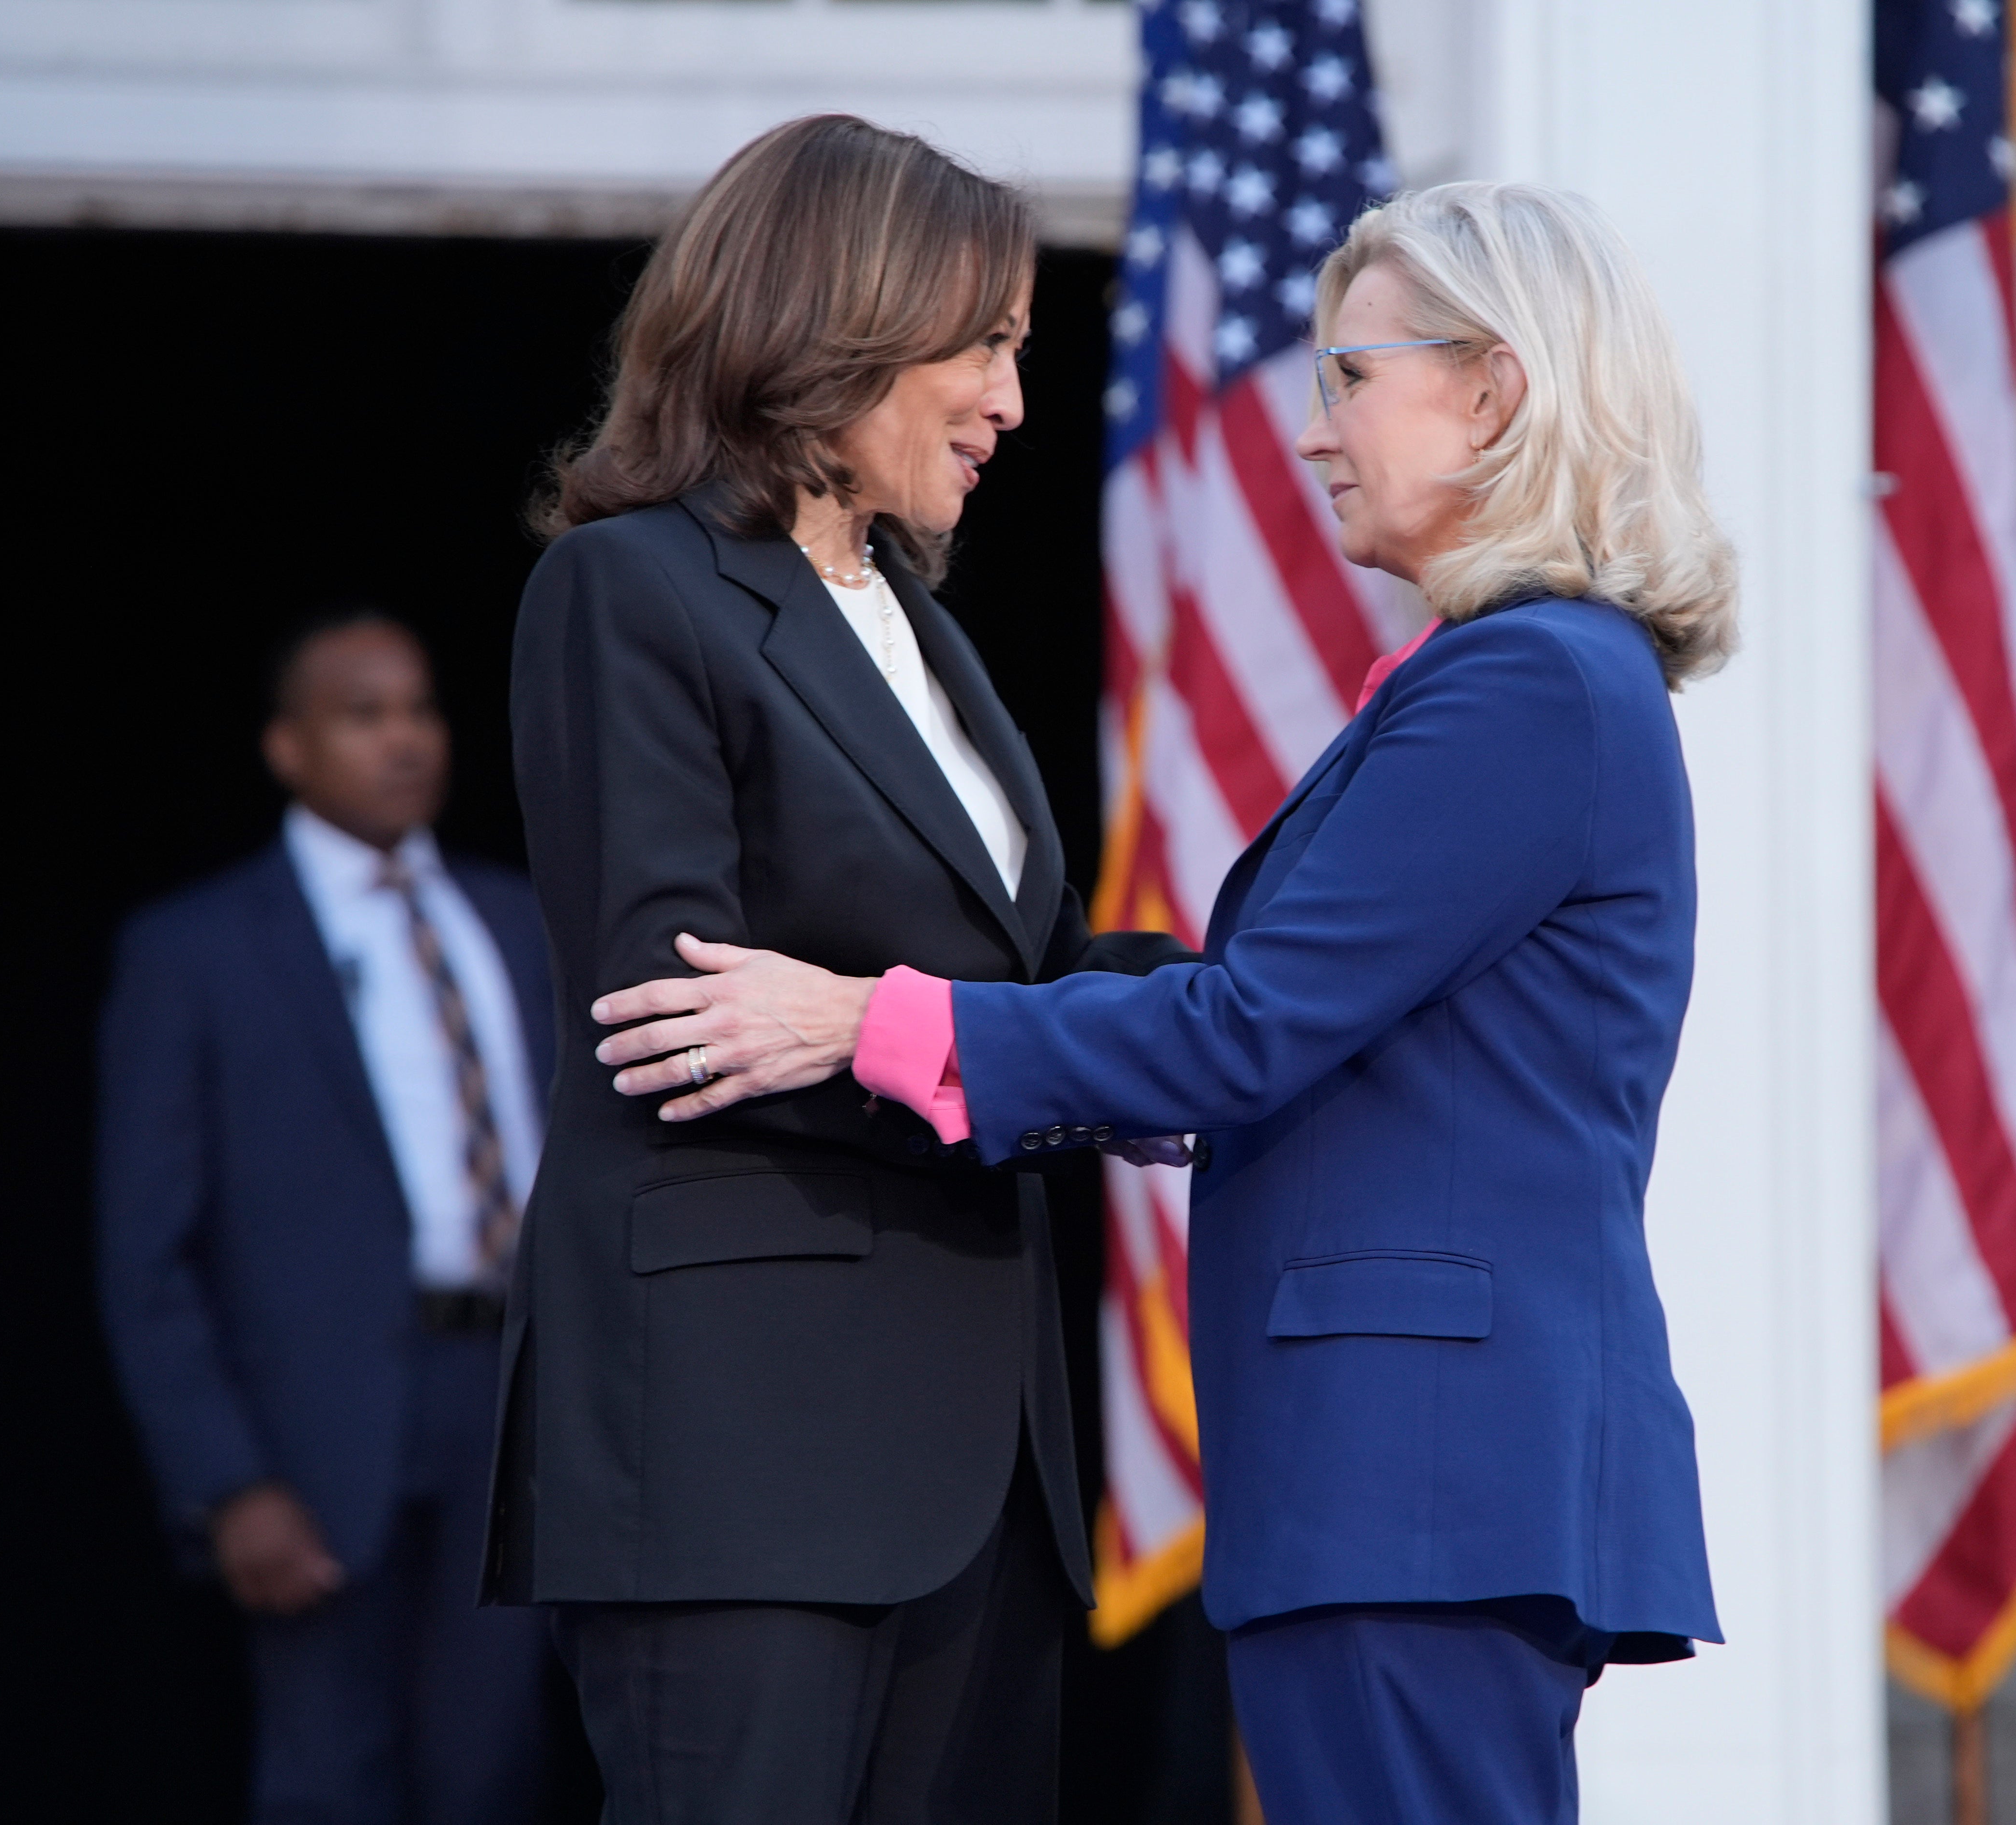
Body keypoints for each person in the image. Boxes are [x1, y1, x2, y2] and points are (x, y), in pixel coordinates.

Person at [591, 181, 1739, 1825]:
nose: (1315, 429)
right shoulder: (1522, 675)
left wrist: (865, 1023)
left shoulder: (1532, 678)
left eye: (1352, 375)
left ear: (1493, 391)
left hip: (1422, 1477)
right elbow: (1292, 1035)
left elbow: (1246, 1027)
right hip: (1421, 1480)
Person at [494, 114, 1185, 1825]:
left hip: (979, 1454)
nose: (1014, 399)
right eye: (988, 343)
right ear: (841, 323)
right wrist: (1014, 1055)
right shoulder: (630, 588)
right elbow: (687, 1013)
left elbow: (980, 969)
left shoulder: (910, 614)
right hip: (747, 1446)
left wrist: (1228, 1005)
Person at [97, 611, 555, 1825]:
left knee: (492, 1771)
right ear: (288, 748)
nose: (403, 740)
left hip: (511, 1402)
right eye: (364, 715)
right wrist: (227, 1480)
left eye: (419, 711)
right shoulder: (197, 950)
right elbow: (147, 1248)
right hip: (313, 1428)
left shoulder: (516, 921)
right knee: (329, 1779)